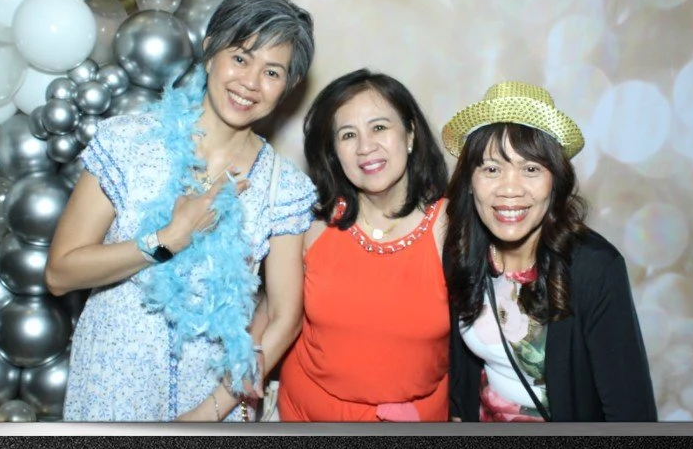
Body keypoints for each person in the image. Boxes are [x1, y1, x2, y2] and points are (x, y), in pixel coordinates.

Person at [47, 0, 319, 421]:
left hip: (209, 401)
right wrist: (168, 239)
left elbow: (285, 316)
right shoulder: (130, 141)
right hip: (109, 386)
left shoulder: (283, 188)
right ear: (211, 51)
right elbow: (61, 272)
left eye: (272, 72)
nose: (250, 83)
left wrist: (209, 412)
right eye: (241, 57)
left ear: (287, 86)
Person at [440, 81, 657, 422]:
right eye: (492, 169)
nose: (509, 189)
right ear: (470, 181)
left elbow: (632, 413)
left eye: (530, 169)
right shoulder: (461, 251)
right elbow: (461, 370)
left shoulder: (595, 268)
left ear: (555, 181)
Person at [278, 70, 453, 421]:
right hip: (306, 415)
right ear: (334, 153)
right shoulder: (311, 222)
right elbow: (274, 312)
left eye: (379, 127)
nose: (365, 147)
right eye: (347, 135)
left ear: (410, 135)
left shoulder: (453, 226)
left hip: (415, 424)